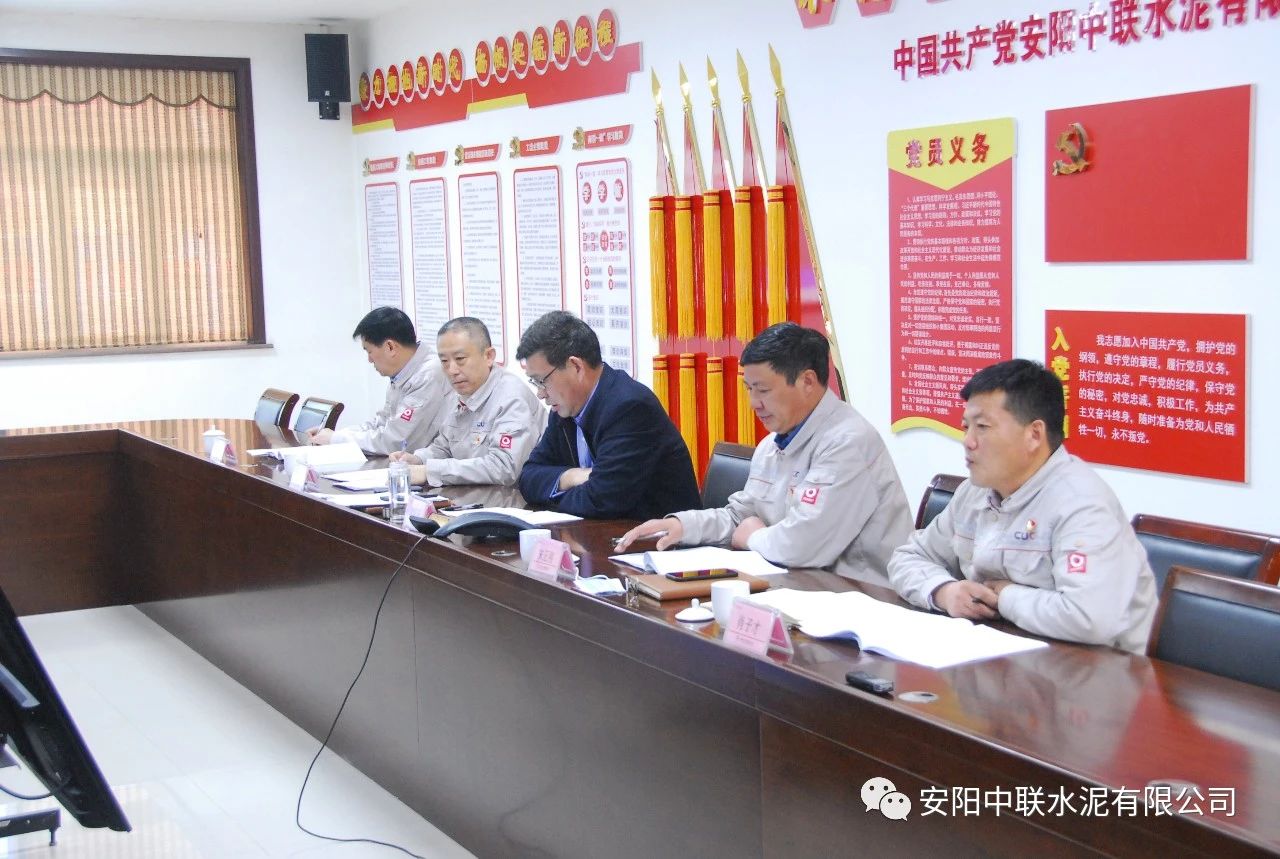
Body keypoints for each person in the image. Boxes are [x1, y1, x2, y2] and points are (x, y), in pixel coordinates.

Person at [887, 359, 1157, 653]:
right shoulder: (975, 492)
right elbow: (908, 558)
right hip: (1003, 653)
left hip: (1095, 668)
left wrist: (1006, 597)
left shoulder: (1082, 504)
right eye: (966, 427)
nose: (968, 441)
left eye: (982, 427)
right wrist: (944, 591)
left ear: (1034, 435)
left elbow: (1089, 617)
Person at [617, 322, 912, 586]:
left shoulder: (847, 443)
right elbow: (741, 516)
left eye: (763, 390)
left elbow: (802, 546)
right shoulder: (771, 445)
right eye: (749, 389)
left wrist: (753, 537)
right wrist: (683, 526)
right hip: (792, 586)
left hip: (862, 599)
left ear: (808, 382)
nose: (753, 403)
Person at [515, 310, 700, 519]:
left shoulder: (629, 408)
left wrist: (553, 492)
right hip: (605, 533)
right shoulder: (562, 411)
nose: (540, 393)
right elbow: (528, 478)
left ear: (576, 366)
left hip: (658, 536)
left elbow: (601, 500)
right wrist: (571, 476)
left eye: (542, 381)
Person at [388, 317, 545, 487]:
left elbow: (504, 467)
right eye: (444, 361)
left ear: (489, 356)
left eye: (460, 359)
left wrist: (429, 471)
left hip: (512, 497)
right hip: (476, 495)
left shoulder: (511, 397)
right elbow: (444, 447)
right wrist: (418, 459)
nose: (452, 370)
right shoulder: (462, 392)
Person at [308, 307, 448, 454]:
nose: (369, 360)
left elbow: (396, 442)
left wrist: (336, 439)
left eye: (369, 351)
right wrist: (335, 435)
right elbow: (382, 423)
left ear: (390, 347)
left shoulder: (428, 375)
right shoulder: (402, 372)